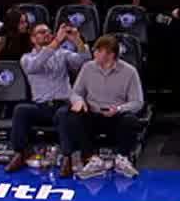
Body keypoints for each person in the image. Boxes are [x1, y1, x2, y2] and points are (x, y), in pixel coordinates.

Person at [4, 21, 86, 172]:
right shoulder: (27, 58)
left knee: (64, 114)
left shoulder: (63, 54)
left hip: (61, 104)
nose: (47, 34)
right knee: (21, 110)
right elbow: (37, 65)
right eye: (42, 32)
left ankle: (67, 157)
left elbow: (84, 61)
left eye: (48, 31)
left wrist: (77, 41)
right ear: (33, 39)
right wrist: (56, 42)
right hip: (40, 106)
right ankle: (19, 153)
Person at [61, 34, 144, 178]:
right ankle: (92, 159)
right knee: (71, 115)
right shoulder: (87, 68)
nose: (94, 53)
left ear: (111, 55)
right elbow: (75, 93)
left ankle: (122, 159)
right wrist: (79, 100)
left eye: (99, 51)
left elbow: (137, 102)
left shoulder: (130, 72)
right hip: (92, 115)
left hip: (116, 116)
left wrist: (119, 109)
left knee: (130, 120)